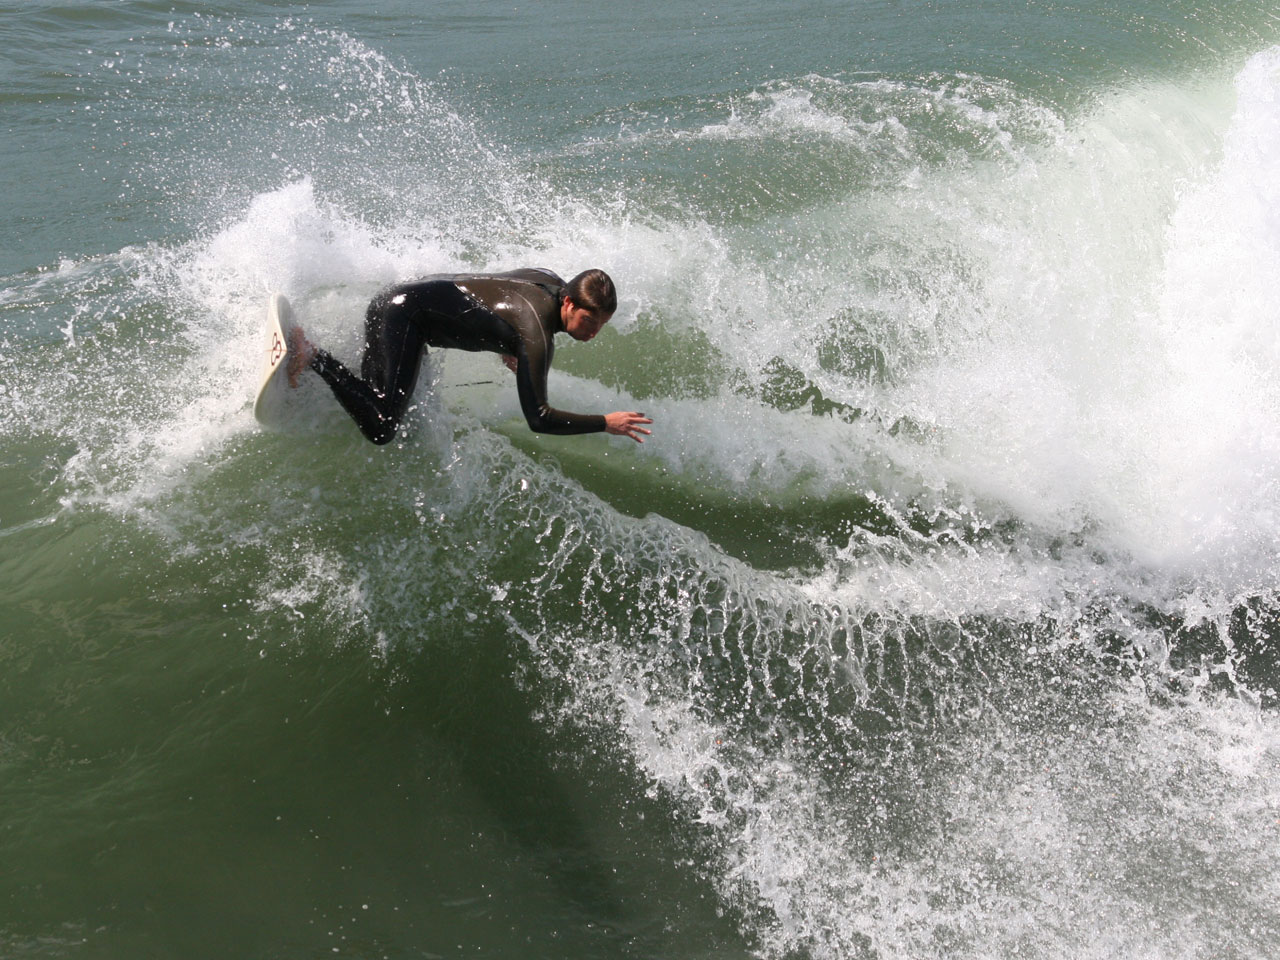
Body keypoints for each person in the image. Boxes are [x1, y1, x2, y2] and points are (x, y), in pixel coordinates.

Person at [287, 267, 653, 446]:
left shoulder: (549, 281)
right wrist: (606, 423)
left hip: (401, 297)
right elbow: (539, 419)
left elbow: (497, 299)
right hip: (403, 316)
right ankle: (312, 355)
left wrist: (507, 344)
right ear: (569, 302)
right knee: (383, 427)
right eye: (588, 320)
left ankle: (310, 373)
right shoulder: (536, 333)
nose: (593, 332)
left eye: (601, 325)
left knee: (380, 401)